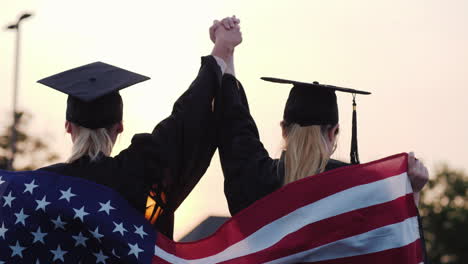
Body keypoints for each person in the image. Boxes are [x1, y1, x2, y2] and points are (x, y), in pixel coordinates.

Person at [35, 20, 242, 239]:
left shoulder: (39, 187)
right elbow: (187, 118)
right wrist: (222, 49)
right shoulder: (141, 171)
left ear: (68, 127)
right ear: (119, 127)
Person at [210, 18, 429, 216]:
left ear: (284, 129)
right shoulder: (356, 187)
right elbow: (393, 243)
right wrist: (413, 192)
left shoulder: (256, 177)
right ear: (334, 132)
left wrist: (225, 51)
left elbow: (234, 122)